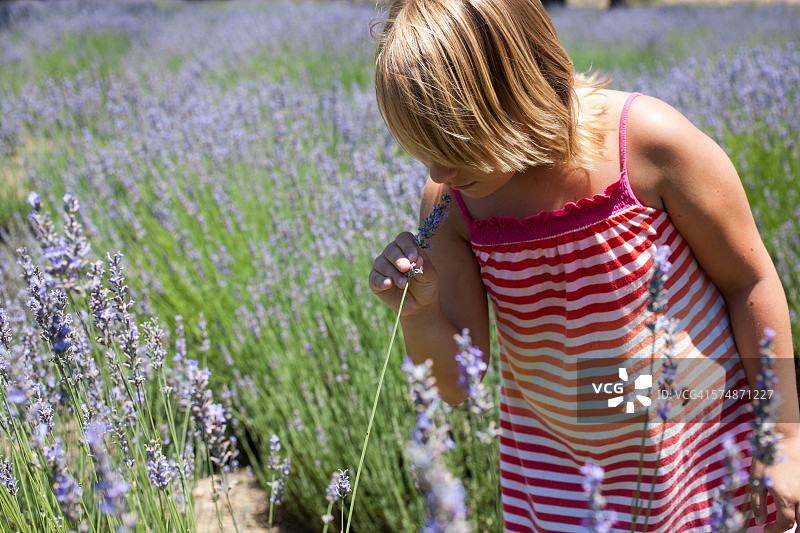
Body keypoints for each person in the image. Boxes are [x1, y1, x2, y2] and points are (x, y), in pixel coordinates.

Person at [367, 0, 800, 531]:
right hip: (559, 478)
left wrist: (784, 438)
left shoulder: (649, 145)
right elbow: (459, 385)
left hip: (700, 452)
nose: (438, 170)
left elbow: (748, 281)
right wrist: (419, 313)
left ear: (519, 86)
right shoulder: (453, 202)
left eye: (456, 145)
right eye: (422, 150)